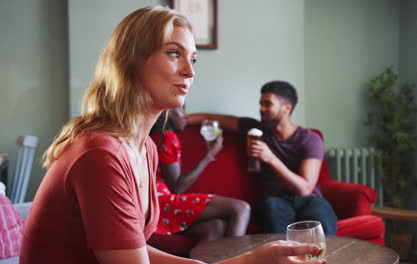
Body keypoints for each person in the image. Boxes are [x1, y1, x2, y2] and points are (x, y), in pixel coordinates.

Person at [20, 6, 326, 264]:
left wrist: (248, 259)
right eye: (173, 53)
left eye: (192, 59)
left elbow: (136, 252)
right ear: (130, 62)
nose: (190, 72)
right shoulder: (101, 152)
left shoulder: (144, 149)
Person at [188, 81, 338, 235]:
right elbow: (210, 118)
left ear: (287, 108)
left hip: (309, 201)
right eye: (261, 104)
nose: (261, 109)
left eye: (267, 104)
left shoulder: (309, 139)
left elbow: (304, 189)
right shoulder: (257, 130)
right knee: (271, 207)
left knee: (321, 232)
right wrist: (181, 120)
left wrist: (270, 158)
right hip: (276, 201)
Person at [150, 107, 250, 242]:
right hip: (161, 204)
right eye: (182, 110)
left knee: (215, 227)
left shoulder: (154, 136)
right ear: (167, 112)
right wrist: (209, 155)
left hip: (151, 206)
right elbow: (177, 187)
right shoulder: (167, 137)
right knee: (241, 208)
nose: (186, 116)